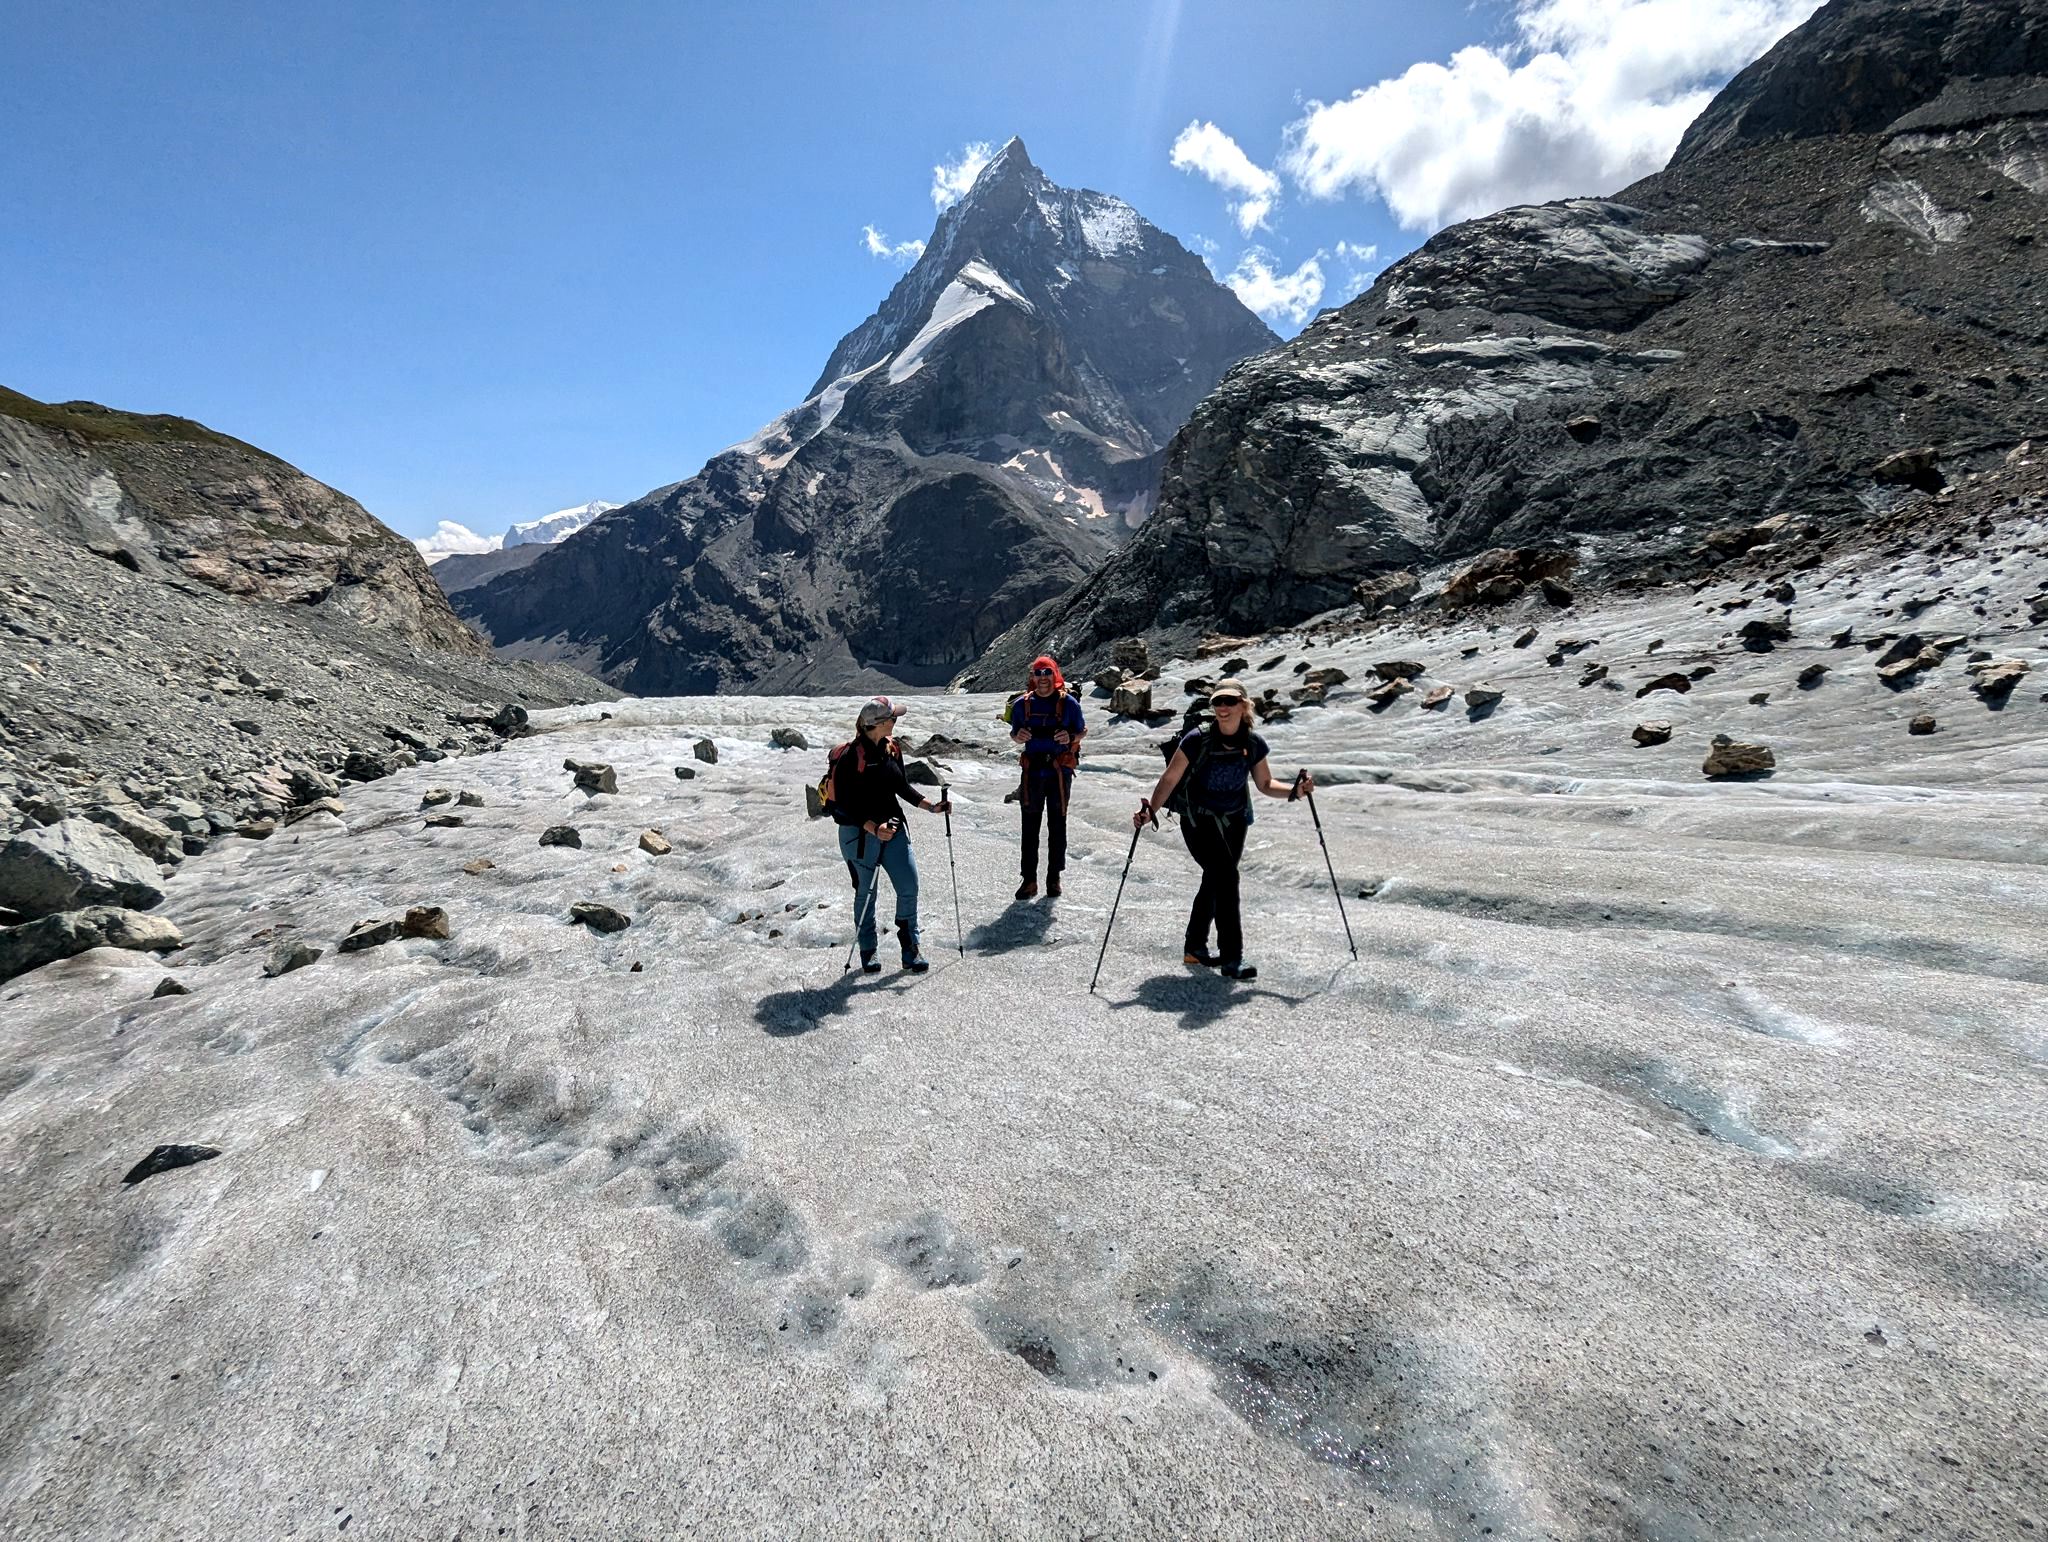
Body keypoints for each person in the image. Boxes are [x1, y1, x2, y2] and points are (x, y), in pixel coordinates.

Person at [1132, 680, 1313, 981]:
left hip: (1235, 821)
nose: (1223, 707)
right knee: (1227, 878)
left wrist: (1296, 791)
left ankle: (1194, 947)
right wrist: (1150, 811)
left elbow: (1266, 784)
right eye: (1218, 702)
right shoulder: (1196, 739)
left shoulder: (1252, 743)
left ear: (1244, 705)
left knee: (1215, 879)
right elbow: (1169, 779)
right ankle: (1232, 958)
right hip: (1198, 820)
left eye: (1229, 701)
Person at [828, 696, 951, 974]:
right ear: (877, 724)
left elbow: (901, 786)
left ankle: (910, 948)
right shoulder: (850, 758)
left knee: (909, 884)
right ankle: (868, 951)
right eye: (892, 718)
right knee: (866, 892)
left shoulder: (892, 749)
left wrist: (931, 806)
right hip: (858, 835)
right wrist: (873, 828)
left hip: (892, 829)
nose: (896, 721)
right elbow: (846, 805)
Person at [1003, 654, 1086, 900]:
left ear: (1055, 675)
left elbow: (1082, 730)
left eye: (1047, 673)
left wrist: (1070, 738)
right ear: (1032, 678)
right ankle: (1029, 880)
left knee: (1057, 824)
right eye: (1038, 674)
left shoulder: (1068, 703)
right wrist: (1016, 738)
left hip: (1059, 772)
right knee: (1030, 827)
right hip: (1033, 772)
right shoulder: (1021, 705)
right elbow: (1014, 732)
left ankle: (1053, 877)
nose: (1043, 679)